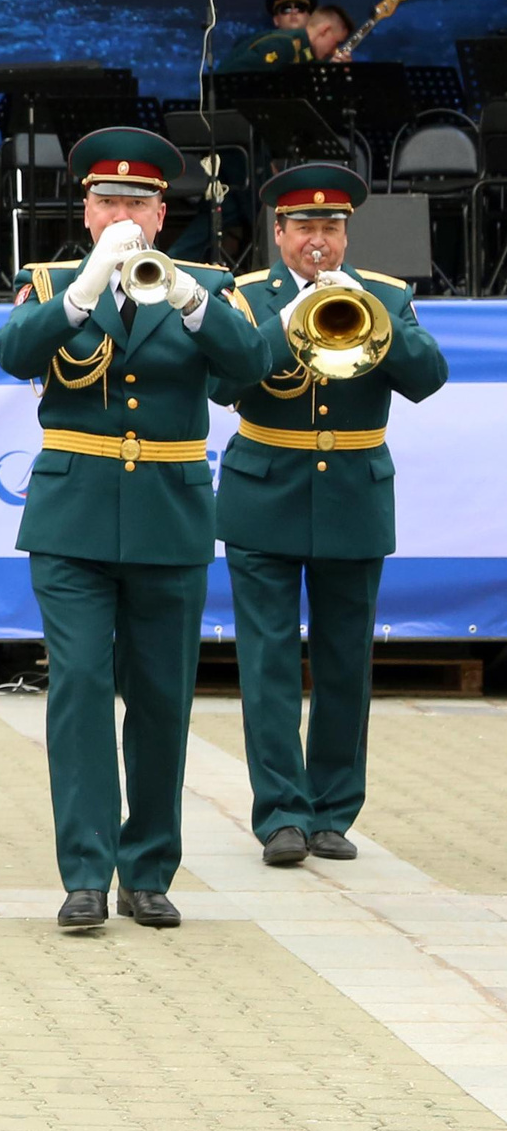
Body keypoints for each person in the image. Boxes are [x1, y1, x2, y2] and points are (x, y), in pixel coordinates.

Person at [0, 128, 264, 932]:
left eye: (137, 203)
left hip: (170, 517)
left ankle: (148, 870)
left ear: (161, 212)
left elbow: (250, 366)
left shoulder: (207, 282)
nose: (122, 215)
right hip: (72, 516)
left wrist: (184, 298)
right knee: (77, 690)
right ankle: (84, 872)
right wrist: (81, 292)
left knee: (159, 700)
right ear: (84, 209)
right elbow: (13, 352)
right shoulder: (47, 280)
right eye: (107, 200)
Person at [215, 164, 448, 868]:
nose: (320, 242)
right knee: (269, 663)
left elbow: (427, 379)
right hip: (265, 493)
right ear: (278, 234)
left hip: (352, 494)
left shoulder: (385, 294)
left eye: (332, 228)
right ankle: (281, 812)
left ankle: (333, 811)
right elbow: (224, 383)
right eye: (306, 229)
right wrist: (286, 324)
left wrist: (368, 312)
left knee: (347, 663)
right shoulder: (248, 299)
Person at [218, 0, 329, 74]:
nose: (294, 12)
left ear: (310, 17)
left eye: (300, 8)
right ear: (276, 20)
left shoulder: (325, 52)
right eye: (286, 9)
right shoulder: (259, 44)